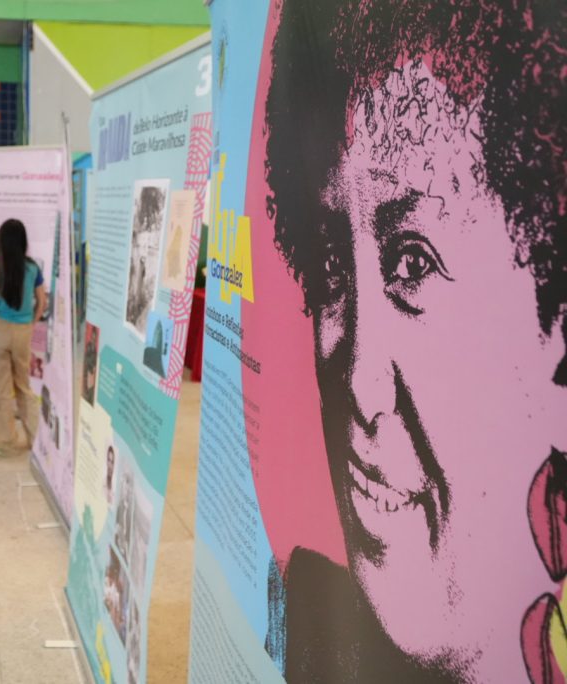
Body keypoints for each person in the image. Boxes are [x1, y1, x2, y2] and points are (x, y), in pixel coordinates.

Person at [263, 1, 567, 681]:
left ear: (554, 323)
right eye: (334, 265)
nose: (359, 381)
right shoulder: (295, 622)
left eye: (412, 263)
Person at [0, 219, 46, 457]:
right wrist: (32, 322)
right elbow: (42, 301)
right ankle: (36, 440)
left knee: (1, 390)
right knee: (24, 386)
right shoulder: (33, 268)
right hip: (23, 331)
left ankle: (5, 443)